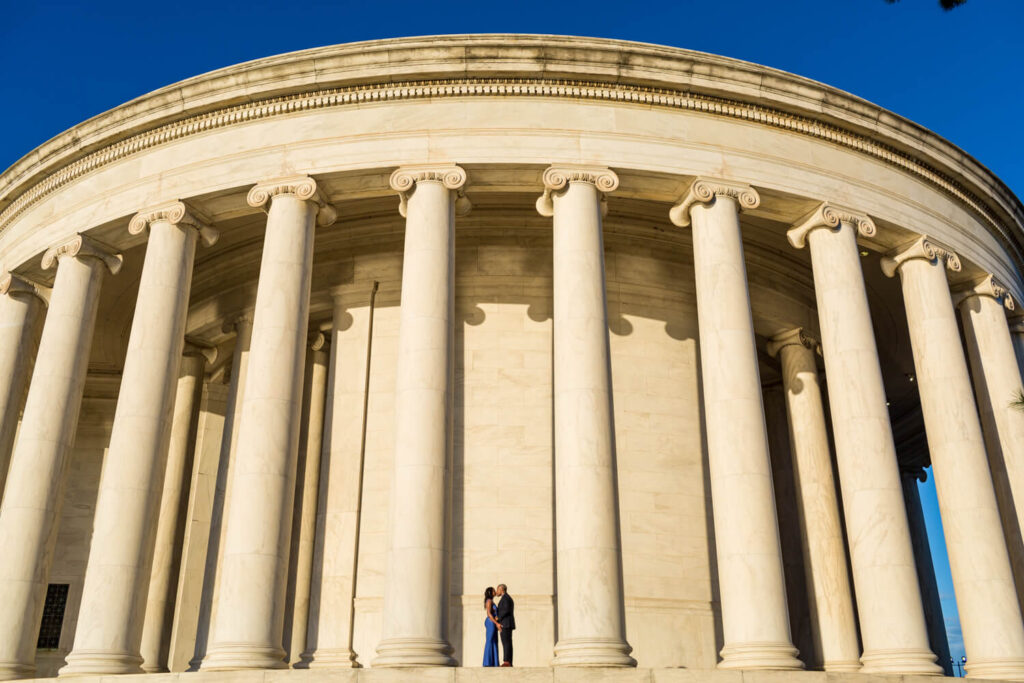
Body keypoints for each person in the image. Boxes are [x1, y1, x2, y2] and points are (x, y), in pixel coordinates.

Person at [495, 583, 516, 666]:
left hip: (506, 624)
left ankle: (507, 661)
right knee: (507, 642)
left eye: (497, 589)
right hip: (506, 623)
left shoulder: (506, 598)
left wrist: (498, 618)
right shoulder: (506, 598)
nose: (497, 592)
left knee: (506, 642)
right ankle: (508, 661)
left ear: (501, 590)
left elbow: (506, 610)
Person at [483, 587, 500, 666]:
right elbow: (489, 614)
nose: (495, 592)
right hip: (490, 622)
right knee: (489, 641)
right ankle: (487, 662)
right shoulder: (489, 601)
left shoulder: (492, 601)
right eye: (493, 590)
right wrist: (496, 623)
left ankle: (494, 662)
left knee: (494, 641)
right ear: (490, 592)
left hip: (493, 621)